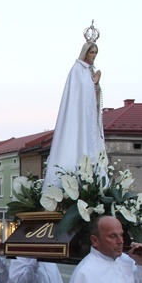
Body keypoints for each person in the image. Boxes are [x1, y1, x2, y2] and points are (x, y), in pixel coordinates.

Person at [43, 22, 105, 188]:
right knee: (76, 141)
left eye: (96, 53)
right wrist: (92, 85)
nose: (94, 55)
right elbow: (77, 95)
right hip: (77, 117)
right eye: (91, 52)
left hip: (89, 118)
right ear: (85, 52)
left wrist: (96, 84)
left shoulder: (91, 71)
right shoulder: (77, 69)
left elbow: (93, 95)